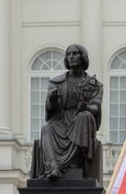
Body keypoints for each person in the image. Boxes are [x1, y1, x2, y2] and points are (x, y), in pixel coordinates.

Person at [38, 44, 103, 179]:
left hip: (82, 120)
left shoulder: (94, 84)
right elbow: (50, 108)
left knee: (83, 117)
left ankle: (76, 164)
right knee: (46, 128)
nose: (71, 57)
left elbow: (96, 107)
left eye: (75, 53)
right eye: (69, 54)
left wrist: (87, 107)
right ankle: (53, 167)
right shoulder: (57, 82)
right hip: (62, 120)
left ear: (83, 57)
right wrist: (52, 100)